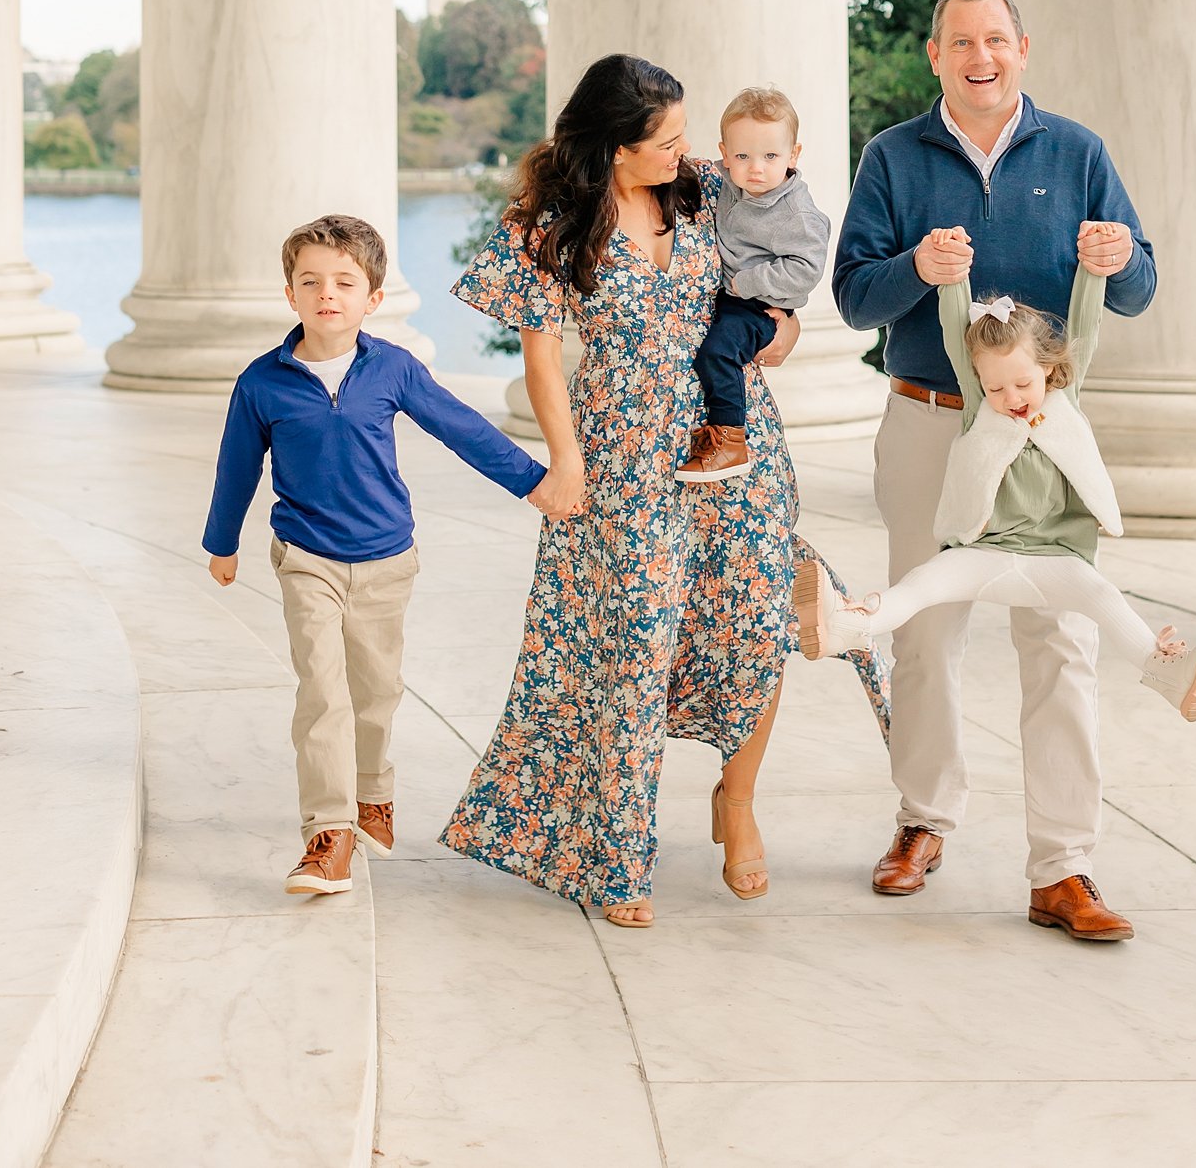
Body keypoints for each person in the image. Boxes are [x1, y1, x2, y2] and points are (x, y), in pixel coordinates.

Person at [441, 54, 889, 929]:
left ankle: (738, 801)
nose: (688, 152)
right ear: (616, 149)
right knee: (632, 648)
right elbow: (541, 360)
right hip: (621, 456)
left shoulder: (713, 189)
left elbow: (789, 259)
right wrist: (561, 464)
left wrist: (785, 326)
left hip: (733, 443)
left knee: (758, 620)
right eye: (668, 139)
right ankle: (617, 852)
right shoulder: (550, 222)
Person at [832, 0, 1157, 942]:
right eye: (961, 41)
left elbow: (1139, 285)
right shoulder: (894, 156)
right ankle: (922, 823)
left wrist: (1117, 257)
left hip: (1043, 434)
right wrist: (913, 273)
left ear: (1025, 48)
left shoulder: (1079, 151)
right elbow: (854, 298)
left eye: (997, 40)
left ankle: (1064, 867)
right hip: (929, 423)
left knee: (1060, 641)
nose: (981, 56)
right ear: (935, 55)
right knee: (925, 634)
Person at [799, 253, 1196, 937]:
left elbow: (1086, 322)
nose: (1012, 398)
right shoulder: (984, 406)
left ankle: (1168, 668)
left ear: (1052, 371)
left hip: (1056, 562)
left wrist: (1093, 275)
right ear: (979, 385)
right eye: (996, 388)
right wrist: (952, 282)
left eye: (1023, 383)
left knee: (1102, 600)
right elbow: (952, 329)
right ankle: (851, 622)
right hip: (984, 555)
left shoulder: (1064, 399)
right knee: (921, 589)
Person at [202, 212, 554, 897]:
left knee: (375, 694)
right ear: (291, 296)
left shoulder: (391, 368)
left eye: (344, 281)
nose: (326, 293)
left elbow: (462, 427)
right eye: (311, 281)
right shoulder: (262, 383)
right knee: (322, 694)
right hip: (307, 556)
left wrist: (533, 482)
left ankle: (373, 793)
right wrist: (222, 544)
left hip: (388, 558)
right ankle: (327, 834)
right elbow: (235, 467)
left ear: (373, 299)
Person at [676, 86, 830, 485]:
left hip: (759, 304)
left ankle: (730, 440)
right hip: (736, 297)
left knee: (718, 353)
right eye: (743, 156)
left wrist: (746, 282)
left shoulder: (795, 213)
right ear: (725, 154)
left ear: (794, 155)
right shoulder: (728, 181)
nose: (756, 168)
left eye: (771, 156)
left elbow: (806, 270)